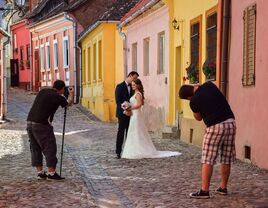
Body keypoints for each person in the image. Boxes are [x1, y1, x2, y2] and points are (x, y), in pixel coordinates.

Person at [179, 81, 236, 199]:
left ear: (188, 97)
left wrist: (194, 105)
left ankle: (204, 191)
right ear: (193, 86)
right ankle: (223, 188)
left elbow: (198, 118)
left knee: (207, 158)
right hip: (230, 122)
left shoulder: (194, 101)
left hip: (215, 126)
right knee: (226, 157)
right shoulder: (210, 85)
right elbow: (201, 85)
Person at [121, 79, 181, 159]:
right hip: (134, 115)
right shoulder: (135, 93)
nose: (133, 86)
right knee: (134, 131)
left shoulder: (138, 94)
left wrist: (130, 108)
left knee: (137, 131)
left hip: (136, 115)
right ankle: (134, 148)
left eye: (134, 85)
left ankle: (139, 149)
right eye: (132, 85)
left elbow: (139, 105)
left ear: (138, 85)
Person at [26, 80, 74, 180]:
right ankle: (51, 173)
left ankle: (40, 172)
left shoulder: (43, 91)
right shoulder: (58, 97)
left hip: (29, 122)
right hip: (42, 124)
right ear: (61, 89)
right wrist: (71, 94)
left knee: (35, 148)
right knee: (49, 147)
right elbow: (68, 103)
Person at [115, 71, 139, 159]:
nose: (135, 80)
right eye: (134, 78)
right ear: (130, 76)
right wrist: (125, 110)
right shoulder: (120, 86)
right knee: (121, 132)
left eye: (136, 78)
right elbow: (118, 101)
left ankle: (128, 151)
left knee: (129, 132)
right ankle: (118, 151)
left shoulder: (133, 88)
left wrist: (130, 110)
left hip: (131, 114)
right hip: (122, 113)